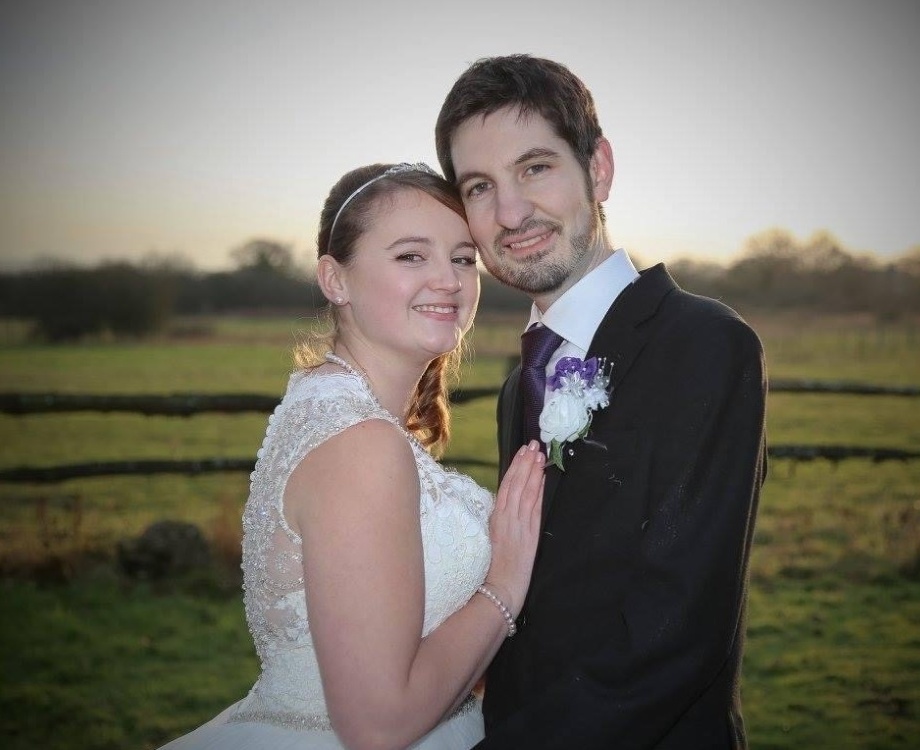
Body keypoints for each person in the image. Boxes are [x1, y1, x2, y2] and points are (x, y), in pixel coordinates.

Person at [434, 55, 768, 748]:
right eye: (479, 187)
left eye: (535, 168)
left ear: (600, 168)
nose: (511, 212)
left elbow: (676, 633)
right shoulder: (513, 390)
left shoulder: (704, 344)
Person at [158, 162, 545, 750]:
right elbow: (378, 725)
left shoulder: (330, 407)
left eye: (463, 258)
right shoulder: (359, 441)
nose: (448, 279)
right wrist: (506, 584)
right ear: (335, 280)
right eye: (411, 256)